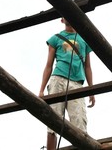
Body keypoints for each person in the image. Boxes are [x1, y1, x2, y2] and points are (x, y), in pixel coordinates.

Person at [39, 18, 95, 149]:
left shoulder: (84, 40)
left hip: (77, 83)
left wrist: (91, 90)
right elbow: (48, 66)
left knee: (79, 123)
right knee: (53, 121)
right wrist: (41, 89)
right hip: (58, 79)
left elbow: (88, 67)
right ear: (62, 20)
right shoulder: (56, 38)